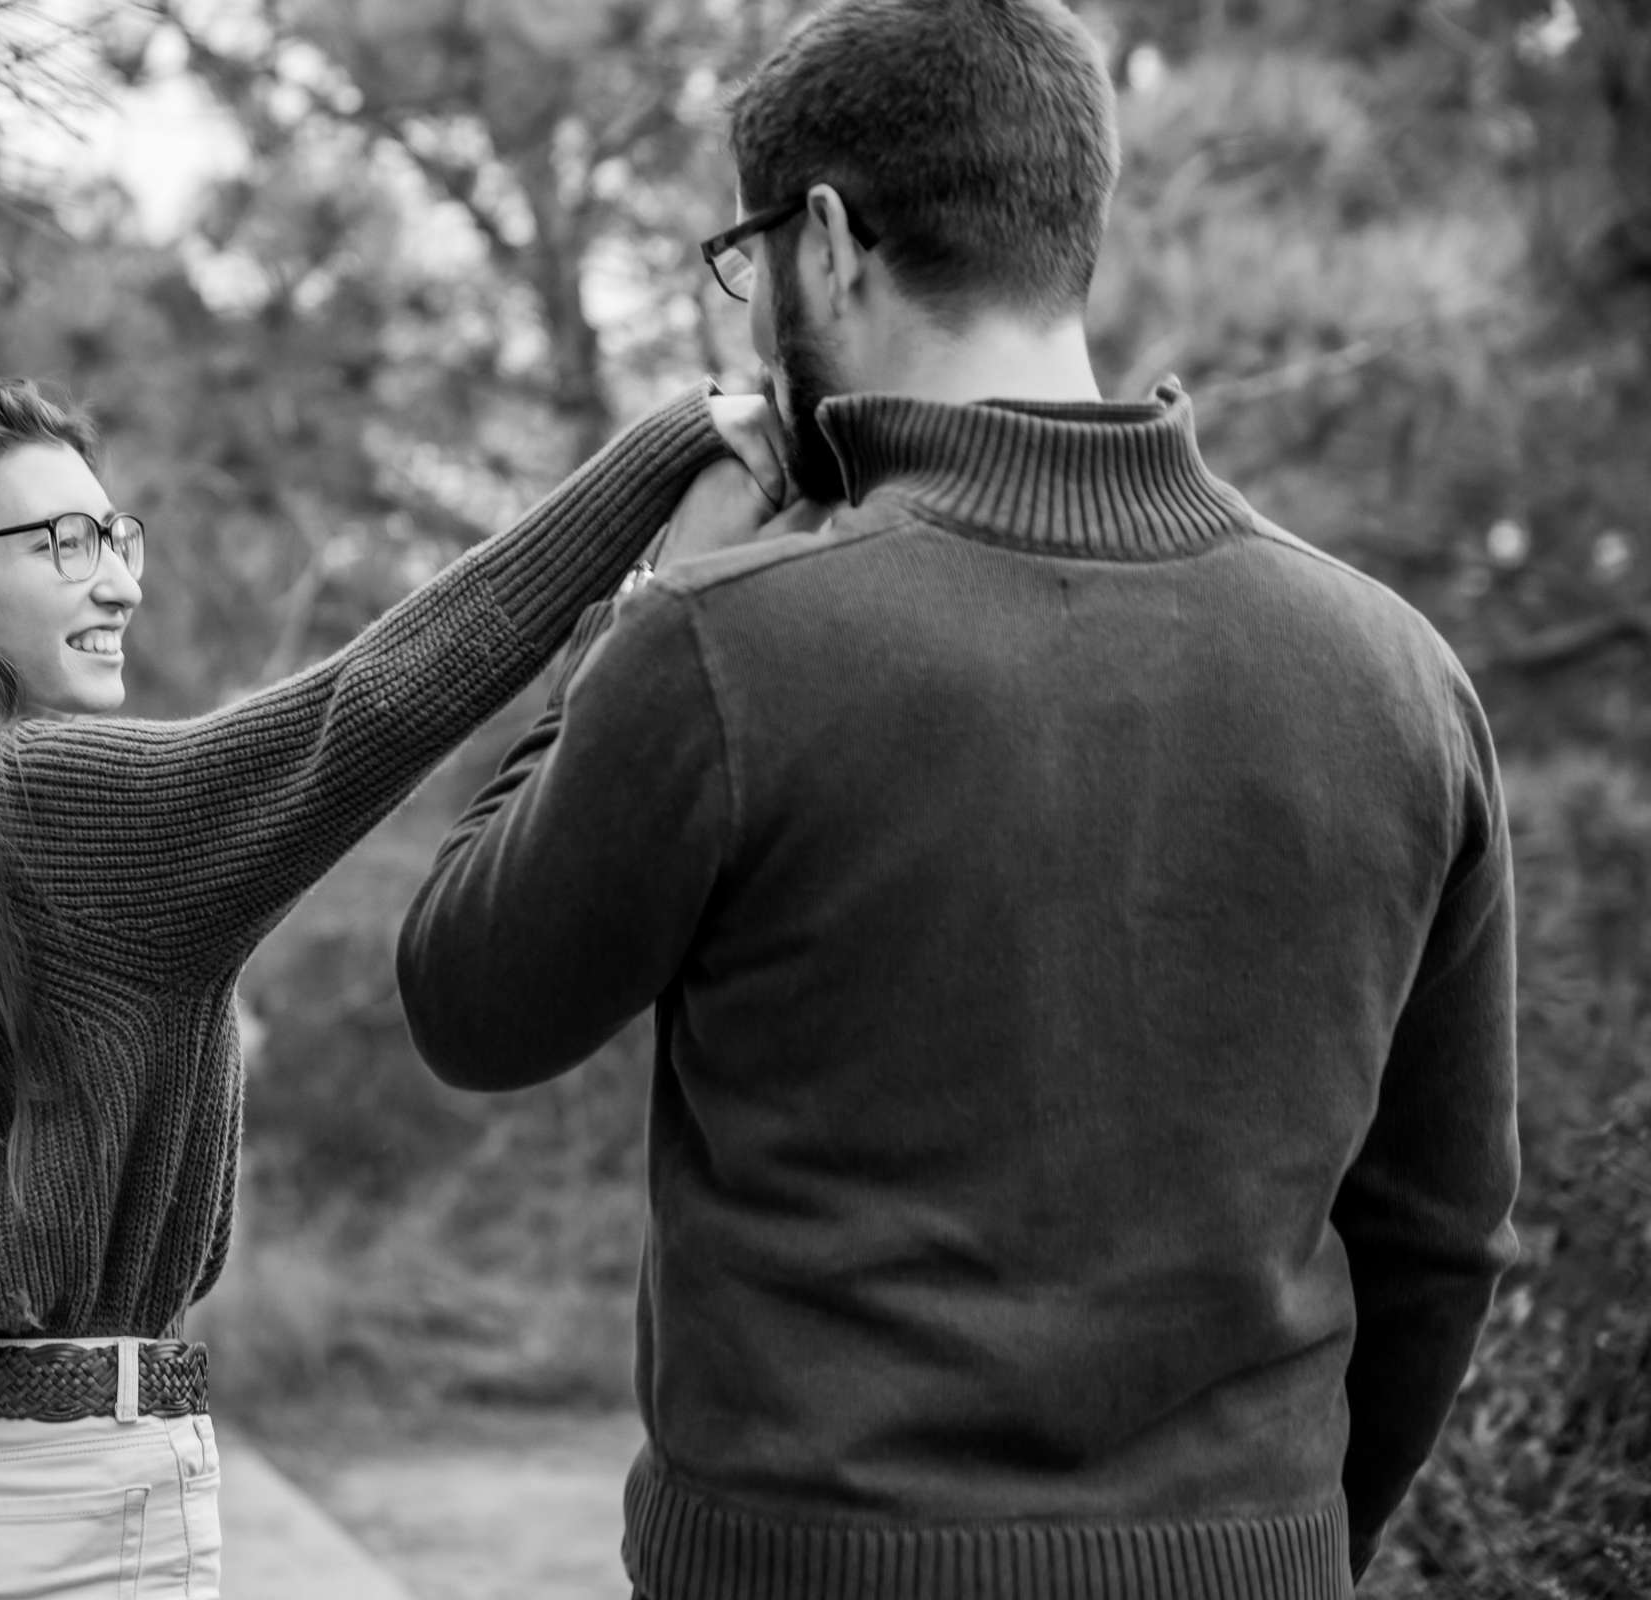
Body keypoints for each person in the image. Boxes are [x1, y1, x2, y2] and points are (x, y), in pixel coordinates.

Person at [394, 3, 1523, 1597]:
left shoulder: (724, 643)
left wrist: (649, 599)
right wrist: (1280, 1546)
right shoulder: (1403, 676)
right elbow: (1443, 1229)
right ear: (1073, 225)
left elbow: (469, 996)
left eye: (750, 255)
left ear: (831, 243)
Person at [0, 371, 784, 1598]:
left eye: (114, 533)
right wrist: (663, 454)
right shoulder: (42, 802)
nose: (120, 579)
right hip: (40, 1518)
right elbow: (359, 712)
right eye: (61, 542)